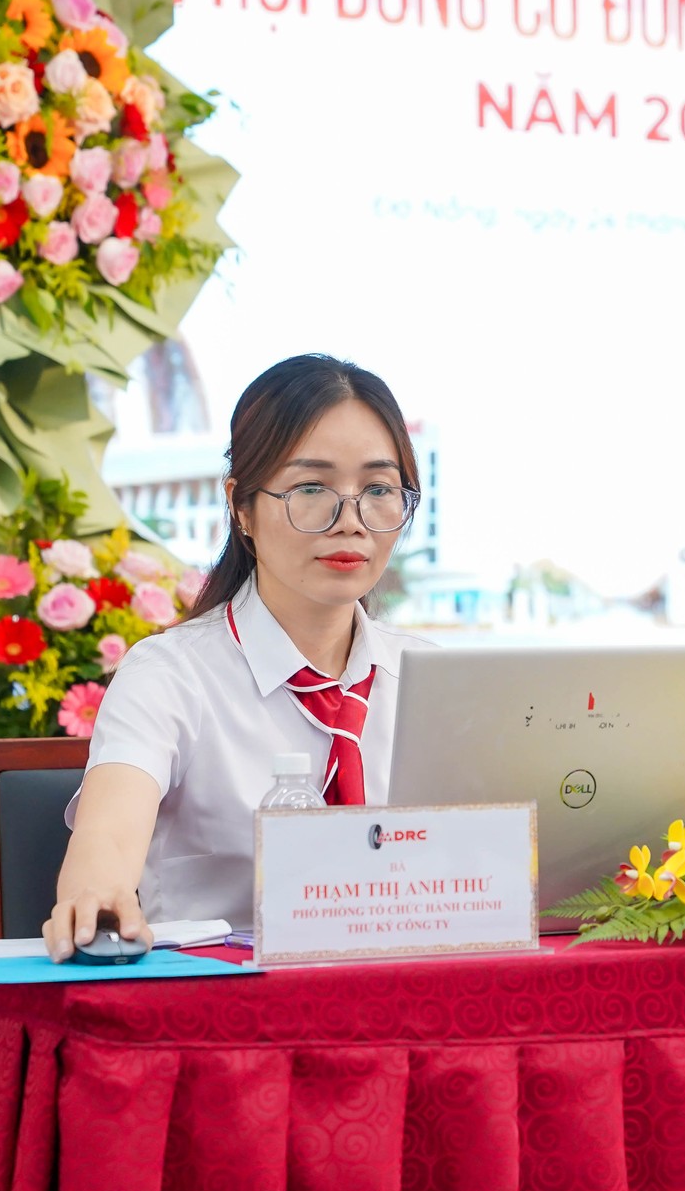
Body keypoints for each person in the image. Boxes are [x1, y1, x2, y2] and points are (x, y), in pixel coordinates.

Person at [43, 354, 431, 959]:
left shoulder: (430, 680)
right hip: (221, 1001)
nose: (351, 521)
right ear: (241, 507)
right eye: (311, 489)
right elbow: (108, 837)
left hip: (407, 989)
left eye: (378, 489)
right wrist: (97, 892)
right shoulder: (169, 676)